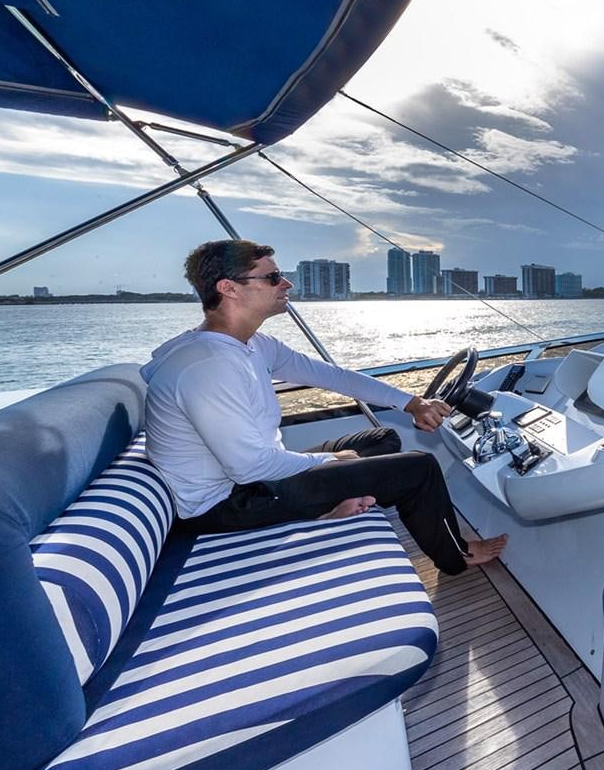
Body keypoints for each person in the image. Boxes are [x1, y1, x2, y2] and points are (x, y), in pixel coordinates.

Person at [141, 239, 504, 574]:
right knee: (419, 469)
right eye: (272, 277)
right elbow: (249, 467)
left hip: (253, 478)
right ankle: (456, 556)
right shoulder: (208, 366)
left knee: (382, 440)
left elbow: (334, 377)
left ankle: (331, 507)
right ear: (228, 288)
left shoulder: (252, 344)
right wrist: (330, 461)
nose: (287, 284)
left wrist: (410, 402)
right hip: (228, 503)